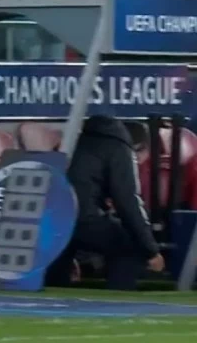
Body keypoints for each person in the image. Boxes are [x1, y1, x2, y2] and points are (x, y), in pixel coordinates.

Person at [49, 115, 164, 290]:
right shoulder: (118, 148)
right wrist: (150, 250)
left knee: (61, 250)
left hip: (52, 218)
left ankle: (54, 290)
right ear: (139, 147)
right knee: (131, 244)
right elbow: (127, 202)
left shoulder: (72, 142)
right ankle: (119, 296)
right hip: (83, 219)